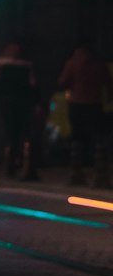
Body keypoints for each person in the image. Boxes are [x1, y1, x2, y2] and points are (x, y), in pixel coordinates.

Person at [56, 38, 113, 188]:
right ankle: (100, 173)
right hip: (95, 103)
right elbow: (108, 83)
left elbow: (62, 82)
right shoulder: (98, 63)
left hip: (76, 103)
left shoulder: (72, 63)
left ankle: (77, 172)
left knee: (77, 137)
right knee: (98, 138)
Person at [0, 40, 38, 180]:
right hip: (23, 102)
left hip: (7, 102)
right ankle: (23, 163)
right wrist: (35, 102)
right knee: (22, 132)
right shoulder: (26, 66)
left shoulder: (1, 65)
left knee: (10, 133)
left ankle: (10, 164)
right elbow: (33, 85)